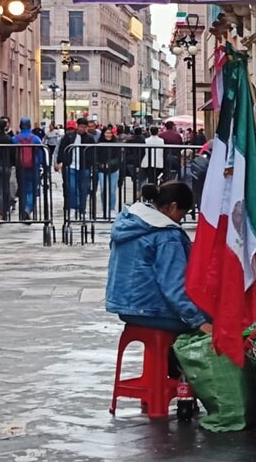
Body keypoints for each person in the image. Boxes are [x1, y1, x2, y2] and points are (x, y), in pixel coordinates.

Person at [105, 181, 211, 335]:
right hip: (149, 310)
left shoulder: (128, 221)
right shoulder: (167, 235)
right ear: (173, 207)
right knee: (213, 316)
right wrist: (198, 321)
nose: (180, 220)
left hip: (124, 306)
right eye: (182, 214)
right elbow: (173, 285)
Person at [55, 117, 94, 219]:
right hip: (70, 165)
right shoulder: (69, 136)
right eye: (80, 127)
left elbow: (92, 153)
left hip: (84, 166)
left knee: (83, 189)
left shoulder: (90, 138)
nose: (82, 129)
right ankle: (72, 207)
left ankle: (82, 210)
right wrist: (60, 161)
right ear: (77, 126)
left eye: (84, 127)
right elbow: (62, 149)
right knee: (71, 188)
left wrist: (91, 164)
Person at [12, 118, 45, 222]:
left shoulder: (15, 139)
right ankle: (28, 209)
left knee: (22, 189)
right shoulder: (35, 139)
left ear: (20, 125)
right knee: (32, 189)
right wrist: (42, 165)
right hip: (33, 167)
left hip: (20, 167)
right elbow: (41, 154)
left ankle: (22, 213)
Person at [95, 126, 124, 218]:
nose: (108, 135)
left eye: (110, 133)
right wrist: (100, 164)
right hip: (101, 168)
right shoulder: (99, 143)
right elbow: (95, 156)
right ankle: (104, 208)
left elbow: (119, 157)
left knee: (112, 190)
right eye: (107, 133)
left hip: (113, 169)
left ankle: (111, 208)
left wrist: (109, 163)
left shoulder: (116, 144)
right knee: (103, 189)